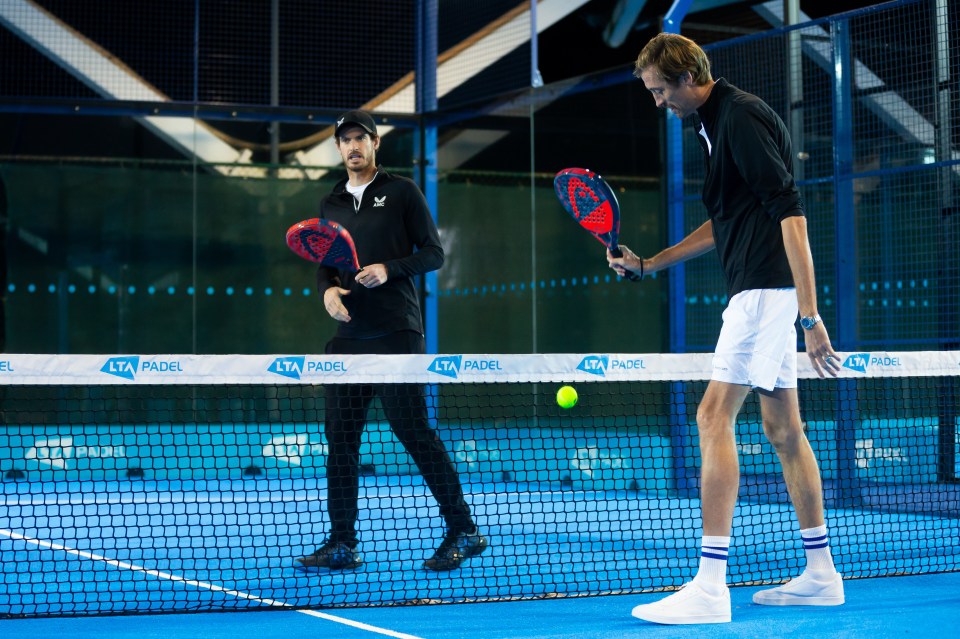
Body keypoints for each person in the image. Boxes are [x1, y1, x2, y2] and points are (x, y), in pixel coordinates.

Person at [610, 33, 844, 624]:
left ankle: (711, 588)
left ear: (688, 77)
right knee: (784, 430)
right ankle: (821, 575)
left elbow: (791, 214)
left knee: (712, 416)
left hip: (765, 291)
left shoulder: (738, 117)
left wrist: (810, 317)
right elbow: (724, 221)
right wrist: (649, 263)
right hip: (762, 289)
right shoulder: (711, 124)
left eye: (661, 90)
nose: (657, 102)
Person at [294, 110, 487, 572]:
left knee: (413, 431)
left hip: (397, 332)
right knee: (340, 438)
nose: (354, 146)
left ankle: (463, 528)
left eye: (361, 137)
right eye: (345, 140)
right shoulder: (331, 202)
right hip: (348, 338)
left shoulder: (402, 192)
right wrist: (327, 292)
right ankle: (342, 542)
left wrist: (389, 268)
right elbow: (325, 263)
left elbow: (434, 253)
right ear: (338, 148)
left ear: (375, 143)